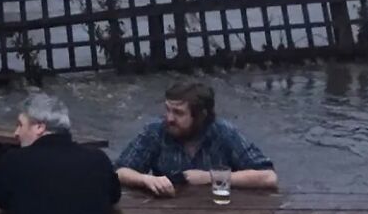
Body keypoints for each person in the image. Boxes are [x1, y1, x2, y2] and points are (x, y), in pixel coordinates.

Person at [0, 93, 121, 214]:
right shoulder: (98, 159)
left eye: (20, 124)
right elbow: (114, 196)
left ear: (39, 127)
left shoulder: (13, 161)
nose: (16, 133)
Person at [115, 81, 277, 197]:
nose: (169, 118)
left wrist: (210, 177)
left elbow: (268, 177)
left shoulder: (224, 132)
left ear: (201, 115)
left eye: (178, 113)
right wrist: (146, 179)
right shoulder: (155, 131)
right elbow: (120, 171)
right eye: (168, 110)